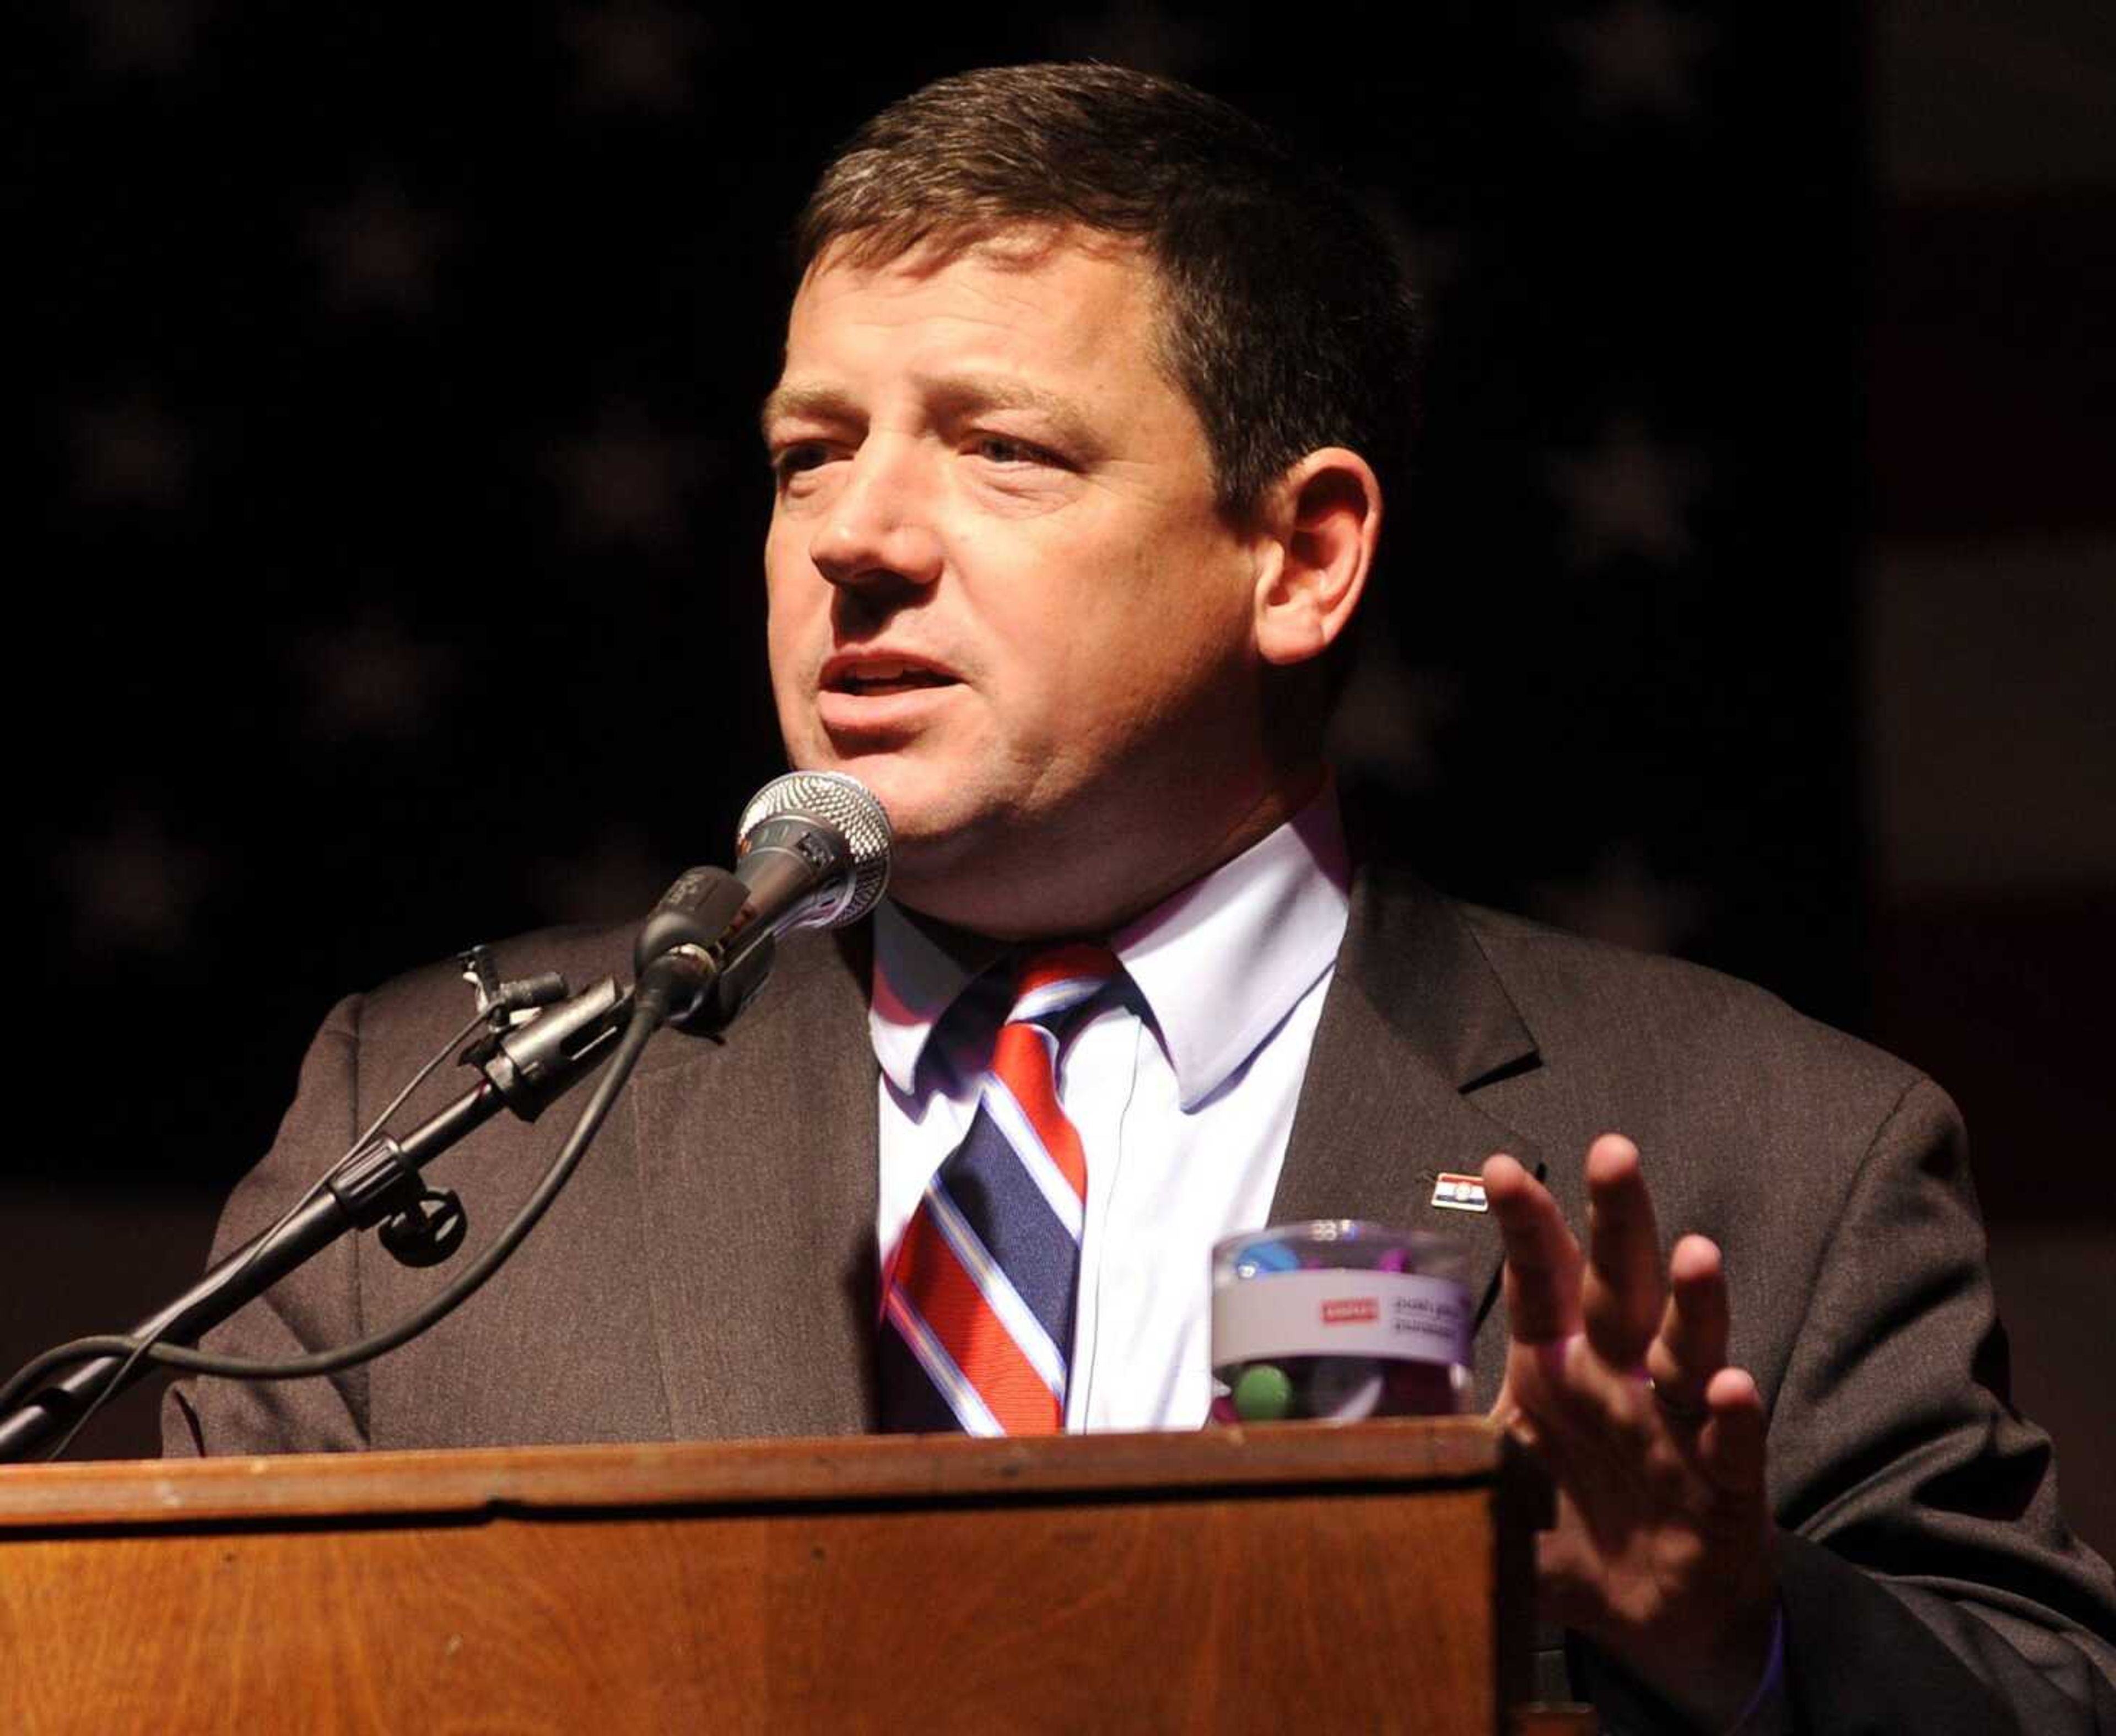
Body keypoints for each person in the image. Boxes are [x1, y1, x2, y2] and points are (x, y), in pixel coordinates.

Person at [168, 63, 2115, 1733]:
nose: (855, 537)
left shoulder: (1762, 1146)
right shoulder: (442, 1133)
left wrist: (1737, 1630)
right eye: (805, 455)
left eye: (1003, 452)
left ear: (1303, 557)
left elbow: (2036, 1695)